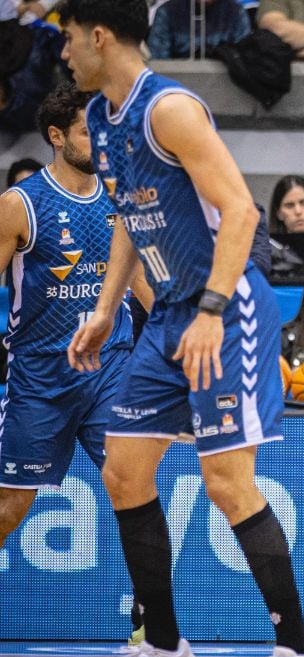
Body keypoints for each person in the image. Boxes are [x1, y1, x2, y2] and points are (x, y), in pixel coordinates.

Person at [60, 2, 304, 657]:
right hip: (171, 317)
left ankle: (301, 651)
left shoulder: (170, 110)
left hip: (225, 306)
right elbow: (128, 217)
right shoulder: (99, 118)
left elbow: (241, 209)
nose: (63, 53)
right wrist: (104, 306)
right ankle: (165, 650)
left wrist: (212, 308)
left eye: (66, 38)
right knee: (123, 471)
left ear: (98, 36)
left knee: (226, 481)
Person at [0, 83, 139, 566]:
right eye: (87, 131)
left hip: (110, 369)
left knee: (136, 492)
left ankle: (152, 624)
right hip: (40, 376)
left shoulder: (122, 197)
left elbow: (145, 287)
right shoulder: (20, 204)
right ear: (57, 137)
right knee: (10, 507)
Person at [147, 0, 252, 59]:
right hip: (178, 85)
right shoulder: (167, 12)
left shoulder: (236, 13)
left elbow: (245, 61)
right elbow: (159, 62)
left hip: (226, 85)